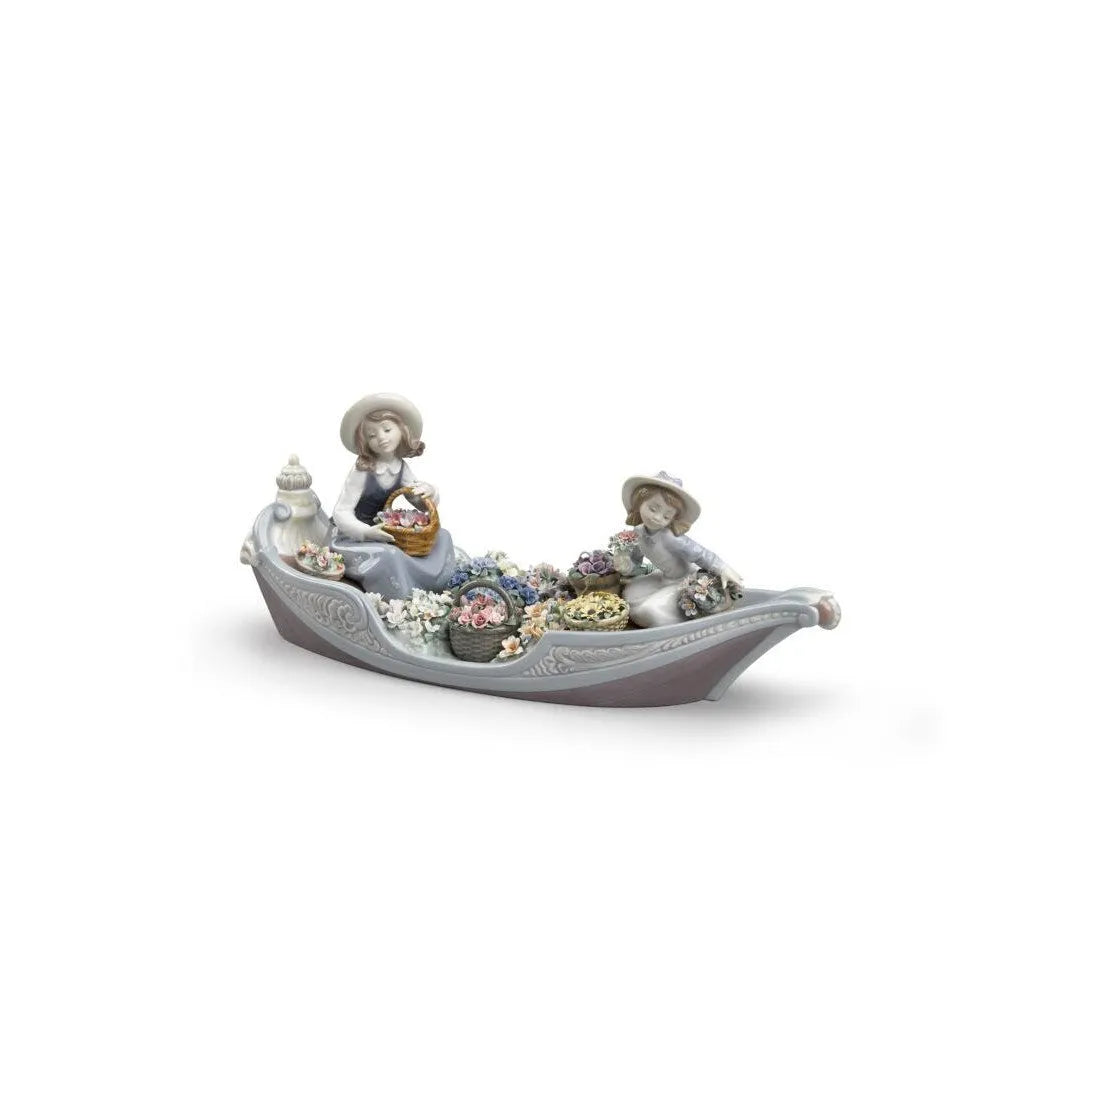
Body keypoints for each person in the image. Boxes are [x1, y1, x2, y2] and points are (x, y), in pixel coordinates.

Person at [328, 393, 456, 598]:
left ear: (402, 430)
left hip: (387, 532)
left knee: (442, 536)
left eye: (387, 429)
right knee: (390, 555)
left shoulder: (400, 467)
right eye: (372, 435)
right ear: (364, 441)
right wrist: (366, 532)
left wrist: (430, 491)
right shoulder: (363, 470)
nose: (381, 438)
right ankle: (404, 601)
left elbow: (418, 501)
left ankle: (438, 592)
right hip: (356, 537)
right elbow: (341, 512)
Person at [617, 471, 743, 628]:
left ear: (673, 519)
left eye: (666, 516)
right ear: (639, 502)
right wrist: (625, 564)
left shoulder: (670, 537)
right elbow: (636, 562)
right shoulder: (638, 532)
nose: (657, 518)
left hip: (684, 580)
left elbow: (700, 554)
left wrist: (723, 568)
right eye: (653, 509)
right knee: (629, 595)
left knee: (650, 611)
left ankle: (687, 620)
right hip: (664, 578)